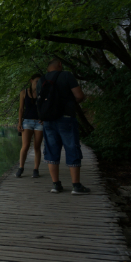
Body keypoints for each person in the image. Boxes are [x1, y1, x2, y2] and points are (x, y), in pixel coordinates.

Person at [36, 59, 90, 194]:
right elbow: (79, 96)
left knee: (51, 150)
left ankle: (56, 185)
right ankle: (76, 186)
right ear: (59, 64)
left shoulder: (41, 80)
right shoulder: (66, 75)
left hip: (48, 121)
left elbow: (40, 102)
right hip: (66, 118)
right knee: (72, 148)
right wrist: (68, 103)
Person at [16, 73, 43, 178]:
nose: (38, 83)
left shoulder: (42, 92)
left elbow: (46, 107)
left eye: (40, 82)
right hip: (27, 121)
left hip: (39, 122)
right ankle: (21, 167)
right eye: (37, 81)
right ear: (31, 81)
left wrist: (44, 118)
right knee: (25, 146)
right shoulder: (23, 92)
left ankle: (36, 169)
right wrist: (19, 123)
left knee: (37, 146)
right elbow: (21, 109)